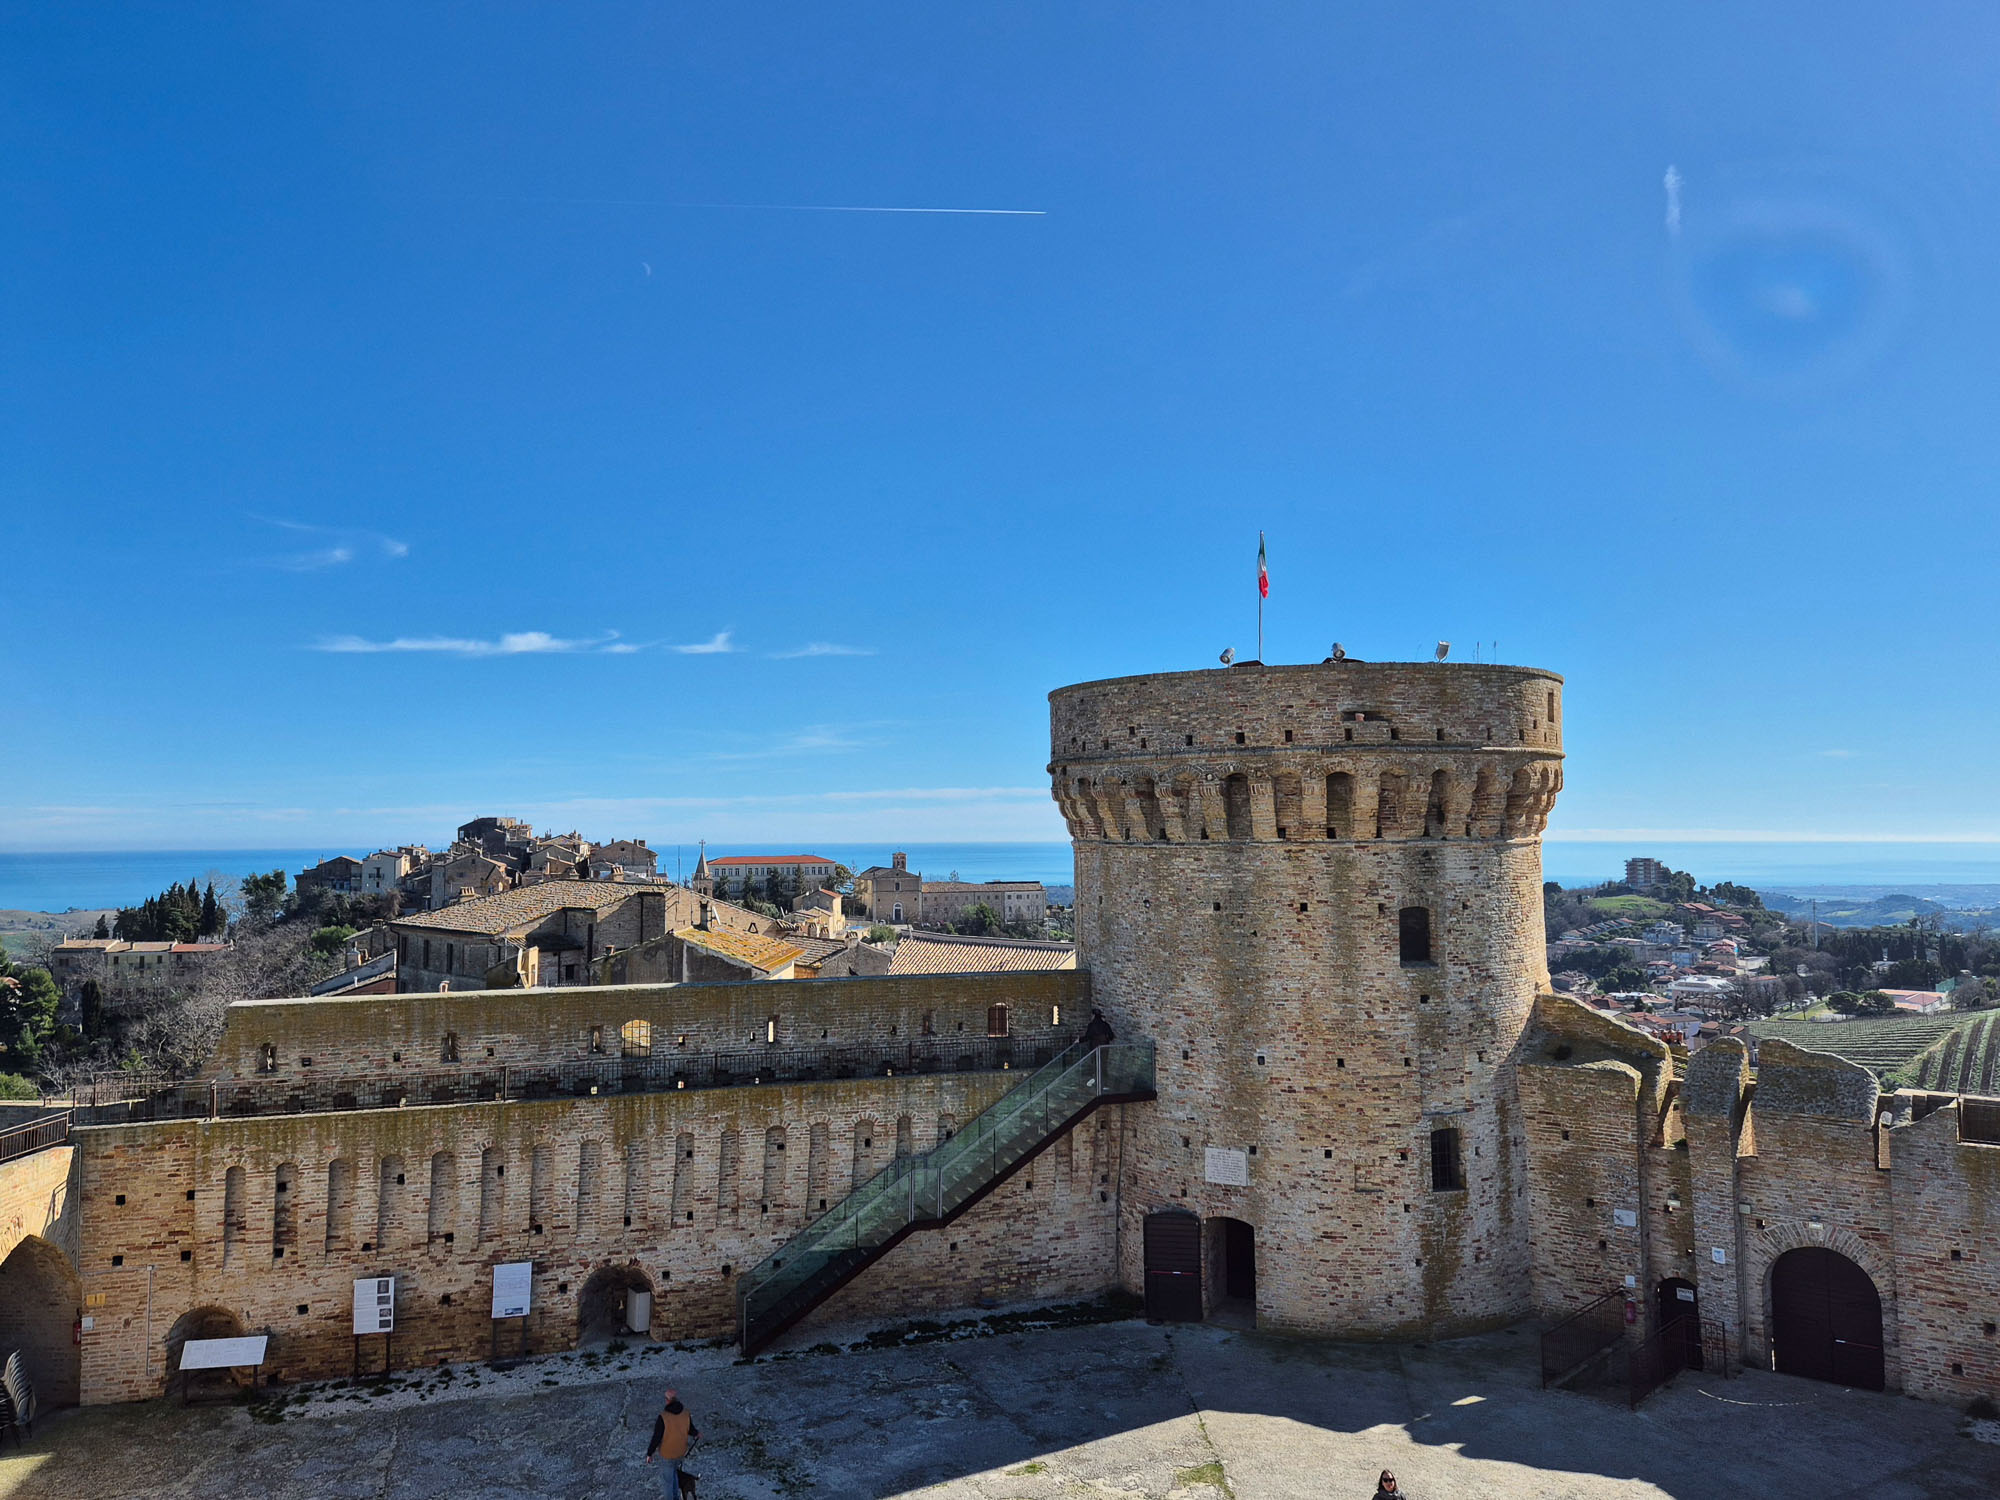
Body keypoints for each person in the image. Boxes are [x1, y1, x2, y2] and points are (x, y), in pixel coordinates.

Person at [645, 1386, 700, 1496]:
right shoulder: (685, 1413)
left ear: (667, 1400)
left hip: (667, 1453)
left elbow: (657, 1437)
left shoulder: (663, 1417)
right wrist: (696, 1434)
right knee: (674, 1473)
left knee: (667, 1481)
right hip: (680, 1452)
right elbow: (690, 1429)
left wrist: (649, 1453)